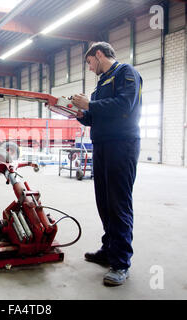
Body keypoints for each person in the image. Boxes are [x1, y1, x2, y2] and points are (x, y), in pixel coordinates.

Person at [72, 42, 142, 286]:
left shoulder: (126, 73)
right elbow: (93, 117)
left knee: (118, 202)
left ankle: (121, 263)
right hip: (101, 146)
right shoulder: (100, 84)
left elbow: (125, 105)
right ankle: (109, 249)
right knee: (104, 201)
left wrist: (89, 105)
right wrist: (78, 113)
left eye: (90, 62)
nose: (90, 68)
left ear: (98, 54)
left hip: (122, 145)